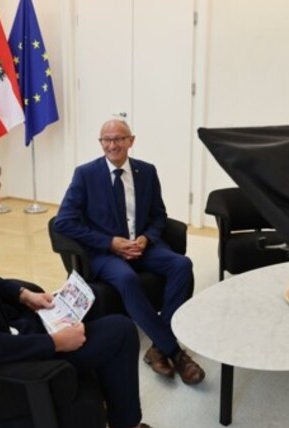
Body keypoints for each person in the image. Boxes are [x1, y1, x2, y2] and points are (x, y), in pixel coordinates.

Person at [0, 155, 177, 428]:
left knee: (95, 306)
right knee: (122, 331)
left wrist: (21, 293)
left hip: (3, 331)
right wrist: (55, 344)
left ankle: (106, 398)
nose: (0, 194)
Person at [55, 118, 205, 385]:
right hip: (105, 253)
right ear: (101, 143)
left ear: (131, 141)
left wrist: (147, 238)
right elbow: (64, 222)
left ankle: (157, 346)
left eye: (119, 139)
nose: (113, 145)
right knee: (126, 279)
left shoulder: (146, 172)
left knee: (182, 264)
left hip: (142, 246)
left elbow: (159, 215)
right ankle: (175, 352)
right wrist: (109, 243)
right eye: (107, 140)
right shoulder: (85, 174)